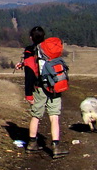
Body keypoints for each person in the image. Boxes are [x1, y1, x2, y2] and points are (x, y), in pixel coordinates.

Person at [16, 26, 68, 158]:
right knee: (54, 116)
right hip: (54, 86)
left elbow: (30, 74)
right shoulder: (50, 49)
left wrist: (28, 94)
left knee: (36, 116)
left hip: (39, 88)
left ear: (31, 37)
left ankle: (32, 144)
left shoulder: (30, 51)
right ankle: (56, 147)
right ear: (44, 36)